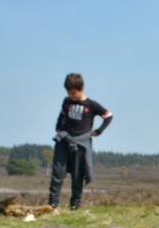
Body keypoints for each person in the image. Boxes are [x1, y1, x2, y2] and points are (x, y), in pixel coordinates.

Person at [48, 73, 113, 212]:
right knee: (57, 174)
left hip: (81, 143)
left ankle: (74, 207)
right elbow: (62, 114)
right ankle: (52, 206)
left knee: (78, 177)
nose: (71, 95)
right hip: (64, 140)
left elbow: (108, 116)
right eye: (69, 93)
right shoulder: (67, 102)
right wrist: (58, 127)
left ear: (82, 88)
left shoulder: (91, 105)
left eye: (73, 93)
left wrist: (98, 131)